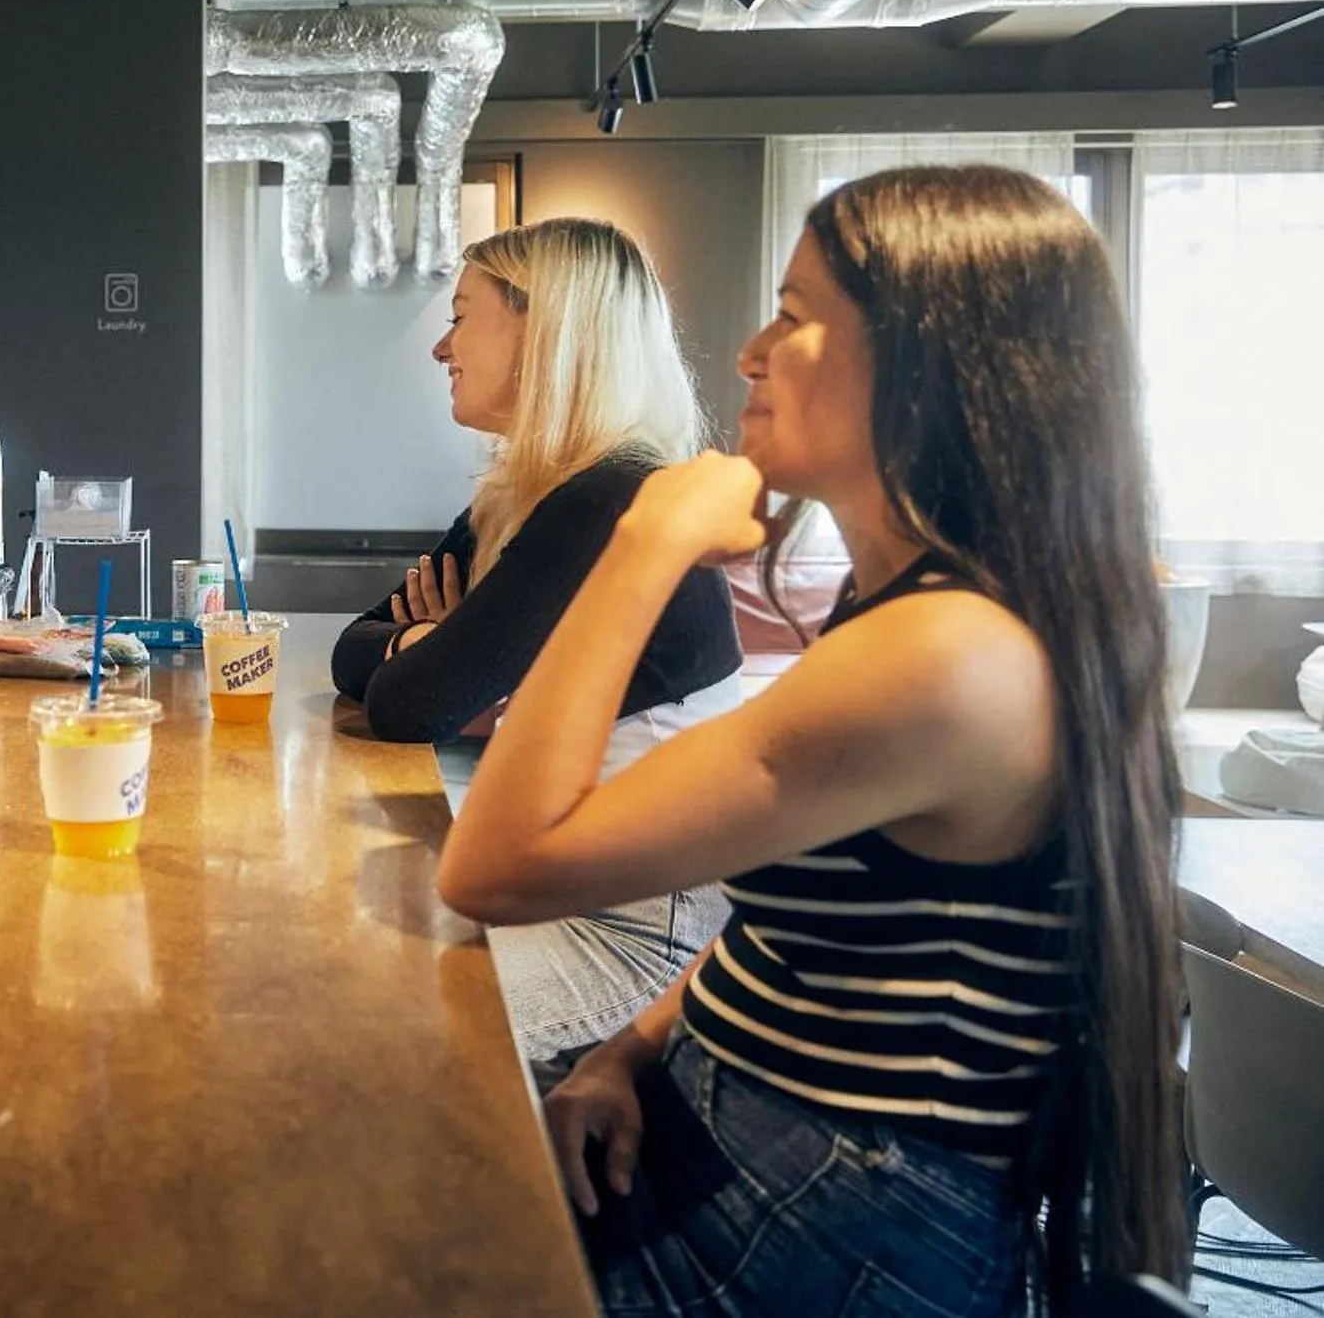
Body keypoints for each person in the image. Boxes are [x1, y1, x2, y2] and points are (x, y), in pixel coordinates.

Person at [437, 167, 1183, 1314]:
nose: (747, 352)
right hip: (752, 1132)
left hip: (838, 1205)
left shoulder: (943, 655)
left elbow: (492, 867)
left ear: (927, 365)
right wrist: (632, 1047)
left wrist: (641, 543)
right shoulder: (910, 613)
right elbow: (807, 929)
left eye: (789, 317)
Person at [330, 218, 743, 1058]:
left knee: (370, 1033)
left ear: (545, 329)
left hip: (630, 929)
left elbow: (410, 704)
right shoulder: (523, 495)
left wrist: (430, 648)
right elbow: (353, 651)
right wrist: (429, 640)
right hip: (558, 884)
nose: (439, 348)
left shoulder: (609, 498)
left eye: (459, 316)